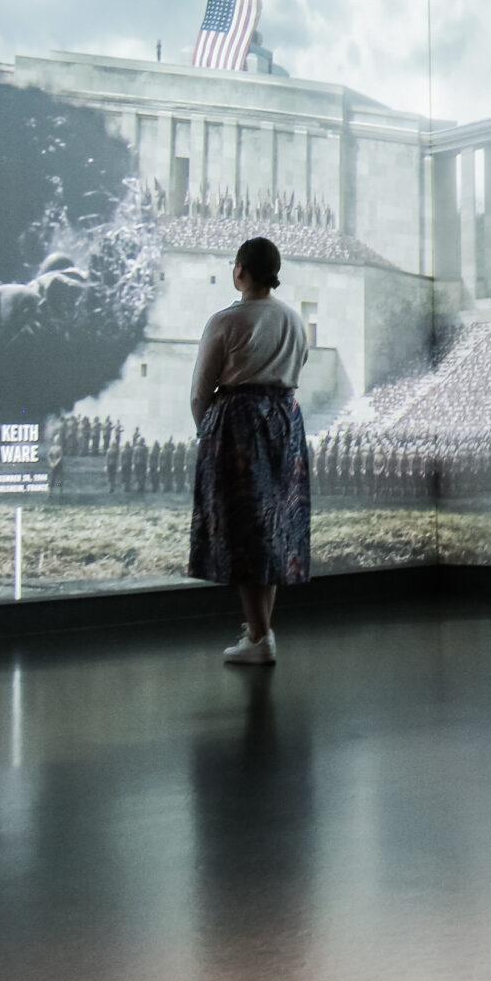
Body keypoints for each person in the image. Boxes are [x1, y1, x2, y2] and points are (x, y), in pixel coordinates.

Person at [188, 236, 313, 666]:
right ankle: (261, 631)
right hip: (286, 422)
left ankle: (259, 636)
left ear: (240, 270)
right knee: (274, 527)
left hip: (239, 426)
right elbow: (298, 367)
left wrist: (208, 432)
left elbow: (200, 392)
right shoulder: (293, 319)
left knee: (244, 530)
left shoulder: (226, 321)